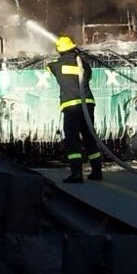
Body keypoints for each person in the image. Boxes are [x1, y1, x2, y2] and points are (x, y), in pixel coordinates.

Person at [46, 36, 103, 183]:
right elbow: (88, 76)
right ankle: (97, 172)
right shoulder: (83, 64)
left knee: (72, 139)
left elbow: (48, 67)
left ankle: (76, 173)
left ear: (60, 51)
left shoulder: (57, 65)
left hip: (71, 106)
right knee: (90, 137)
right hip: (87, 103)